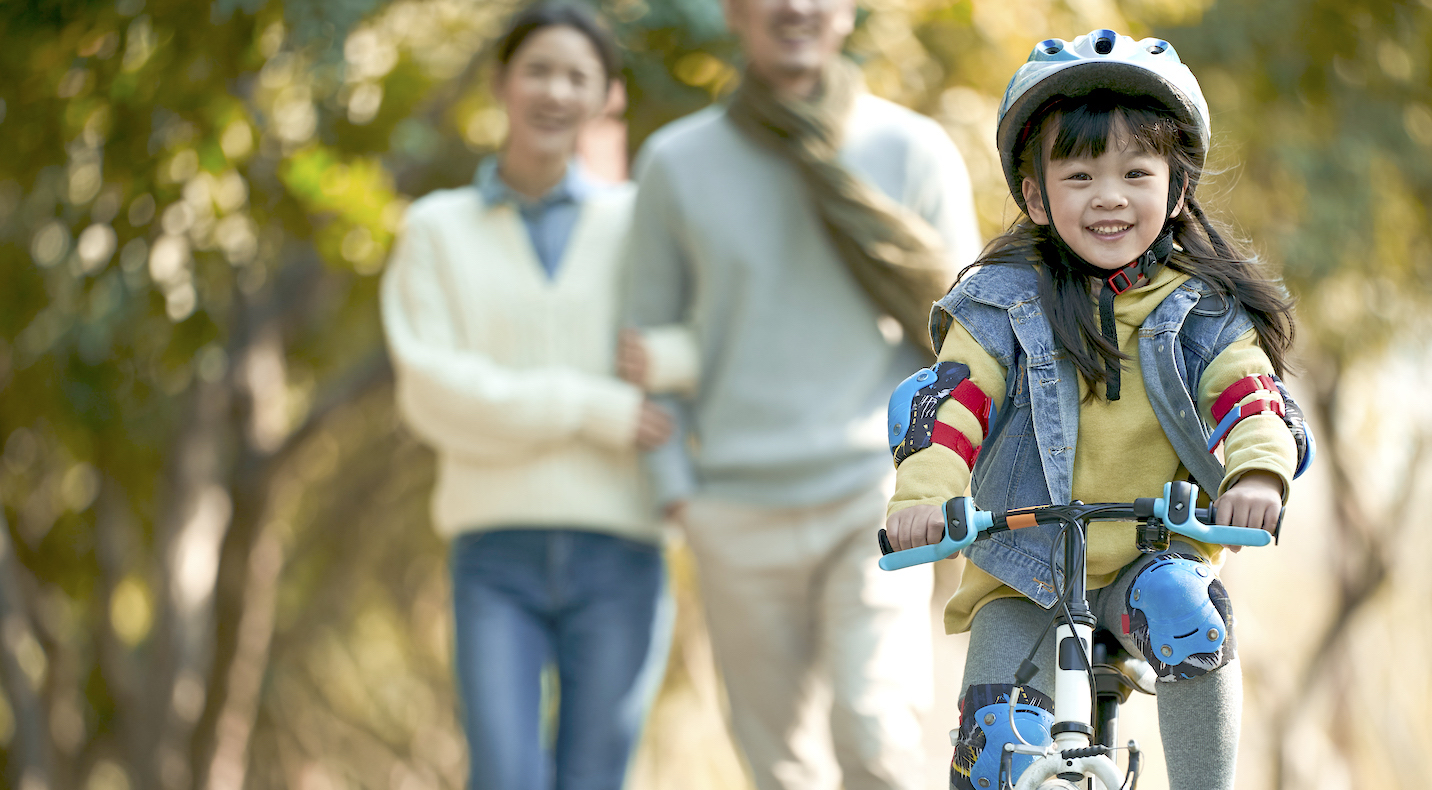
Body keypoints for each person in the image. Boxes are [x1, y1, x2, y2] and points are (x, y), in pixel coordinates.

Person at [882, 30, 1311, 790]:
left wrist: (1259, 475)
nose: (1109, 196)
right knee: (994, 745)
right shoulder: (999, 305)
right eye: (1078, 175)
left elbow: (1248, 395)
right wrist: (926, 495)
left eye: (1135, 172)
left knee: (1192, 614)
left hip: (1151, 558)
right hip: (1024, 571)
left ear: (1177, 190)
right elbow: (955, 400)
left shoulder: (1200, 310)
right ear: (1036, 196)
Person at [619, 0, 982, 787]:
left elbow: (969, 344)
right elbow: (642, 342)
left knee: (875, 738)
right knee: (780, 768)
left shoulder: (913, 150)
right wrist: (680, 494)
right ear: (732, 12)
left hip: (870, 500)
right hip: (733, 511)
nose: (796, 8)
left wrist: (930, 482)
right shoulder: (675, 164)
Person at [379, 5, 672, 790]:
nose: (554, 91)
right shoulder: (435, 231)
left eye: (577, 76)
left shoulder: (642, 222)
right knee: (504, 777)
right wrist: (595, 409)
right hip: (494, 559)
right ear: (501, 81)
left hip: (623, 556)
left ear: (604, 95)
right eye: (537, 69)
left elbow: (694, 351)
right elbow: (434, 394)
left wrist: (665, 367)